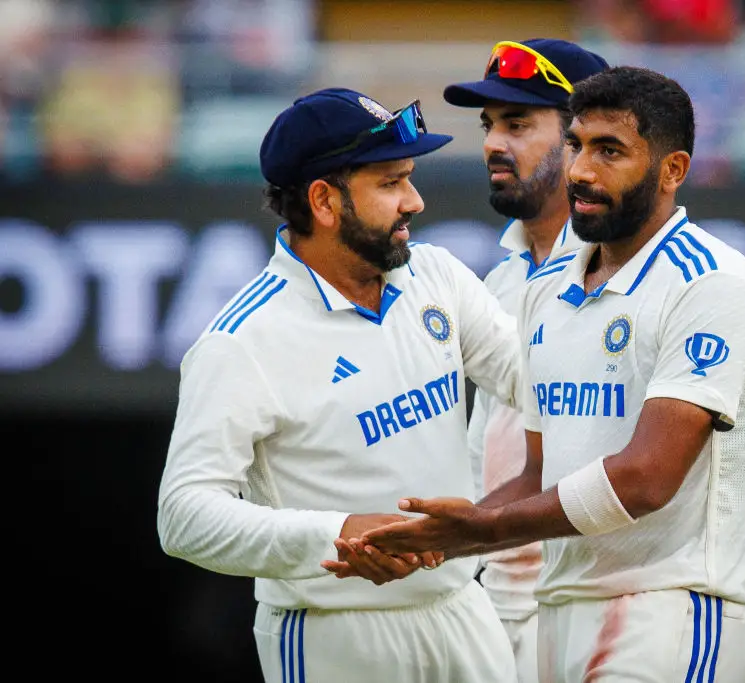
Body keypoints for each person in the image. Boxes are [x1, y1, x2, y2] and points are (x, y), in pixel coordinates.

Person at [365, 66, 745, 683]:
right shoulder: (547, 289)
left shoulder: (712, 280)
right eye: (577, 147)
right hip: (557, 615)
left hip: (672, 611)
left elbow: (646, 479)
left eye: (610, 151)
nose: (581, 171)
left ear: (673, 170)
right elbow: (537, 470)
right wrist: (431, 538)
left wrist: (480, 527)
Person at [156, 87, 521, 683]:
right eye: (390, 183)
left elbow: (531, 382)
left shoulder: (437, 275)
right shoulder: (243, 341)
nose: (415, 201)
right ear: (324, 200)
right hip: (336, 631)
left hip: (463, 611)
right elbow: (184, 516)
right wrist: (339, 532)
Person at [442, 37, 608, 683]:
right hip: (502, 602)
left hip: (600, 599)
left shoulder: (620, 268)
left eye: (518, 123)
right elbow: (488, 448)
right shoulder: (503, 278)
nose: (491, 143)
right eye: (489, 126)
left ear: (584, 141)